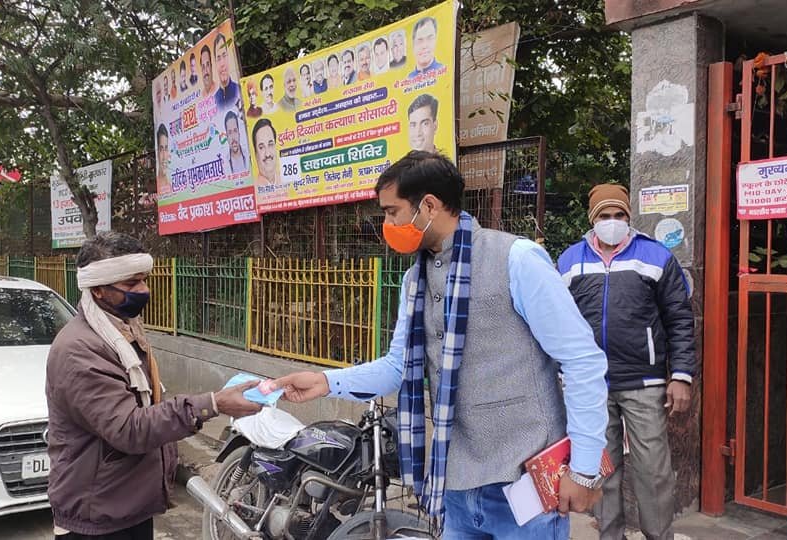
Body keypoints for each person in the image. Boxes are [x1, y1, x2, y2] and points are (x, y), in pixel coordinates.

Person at [272, 151, 608, 539]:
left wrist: (583, 470)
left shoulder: (516, 259)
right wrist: (324, 381)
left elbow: (582, 362)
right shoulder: (416, 283)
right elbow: (398, 366)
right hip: (457, 484)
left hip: (526, 485)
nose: (387, 224)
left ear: (428, 205)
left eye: (393, 211)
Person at [46, 232, 261, 540]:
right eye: (132, 284)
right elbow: (129, 428)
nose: (144, 290)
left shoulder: (123, 332)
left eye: (144, 280)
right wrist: (212, 404)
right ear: (99, 290)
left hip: (125, 504)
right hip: (96, 515)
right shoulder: (80, 349)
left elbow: (150, 406)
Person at [558, 184, 695, 540]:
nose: (613, 222)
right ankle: (609, 536)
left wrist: (681, 376)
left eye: (619, 215)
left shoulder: (655, 257)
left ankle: (658, 536)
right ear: (592, 220)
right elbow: (555, 321)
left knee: (653, 471)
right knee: (602, 470)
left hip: (644, 383)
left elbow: (679, 318)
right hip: (591, 387)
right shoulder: (570, 261)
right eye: (605, 216)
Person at [214, 33, 240, 107]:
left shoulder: (239, 90)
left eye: (224, 55)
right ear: (215, 63)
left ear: (228, 57)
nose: (222, 64)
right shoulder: (213, 101)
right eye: (218, 58)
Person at [252, 118, 279, 186]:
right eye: (261, 147)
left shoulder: (286, 183)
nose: (267, 154)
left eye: (270, 144)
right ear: (256, 154)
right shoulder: (255, 188)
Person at [155, 124, 171, 194]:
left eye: (166, 149)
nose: (164, 157)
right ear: (157, 153)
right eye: (161, 149)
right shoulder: (156, 187)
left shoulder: (171, 186)